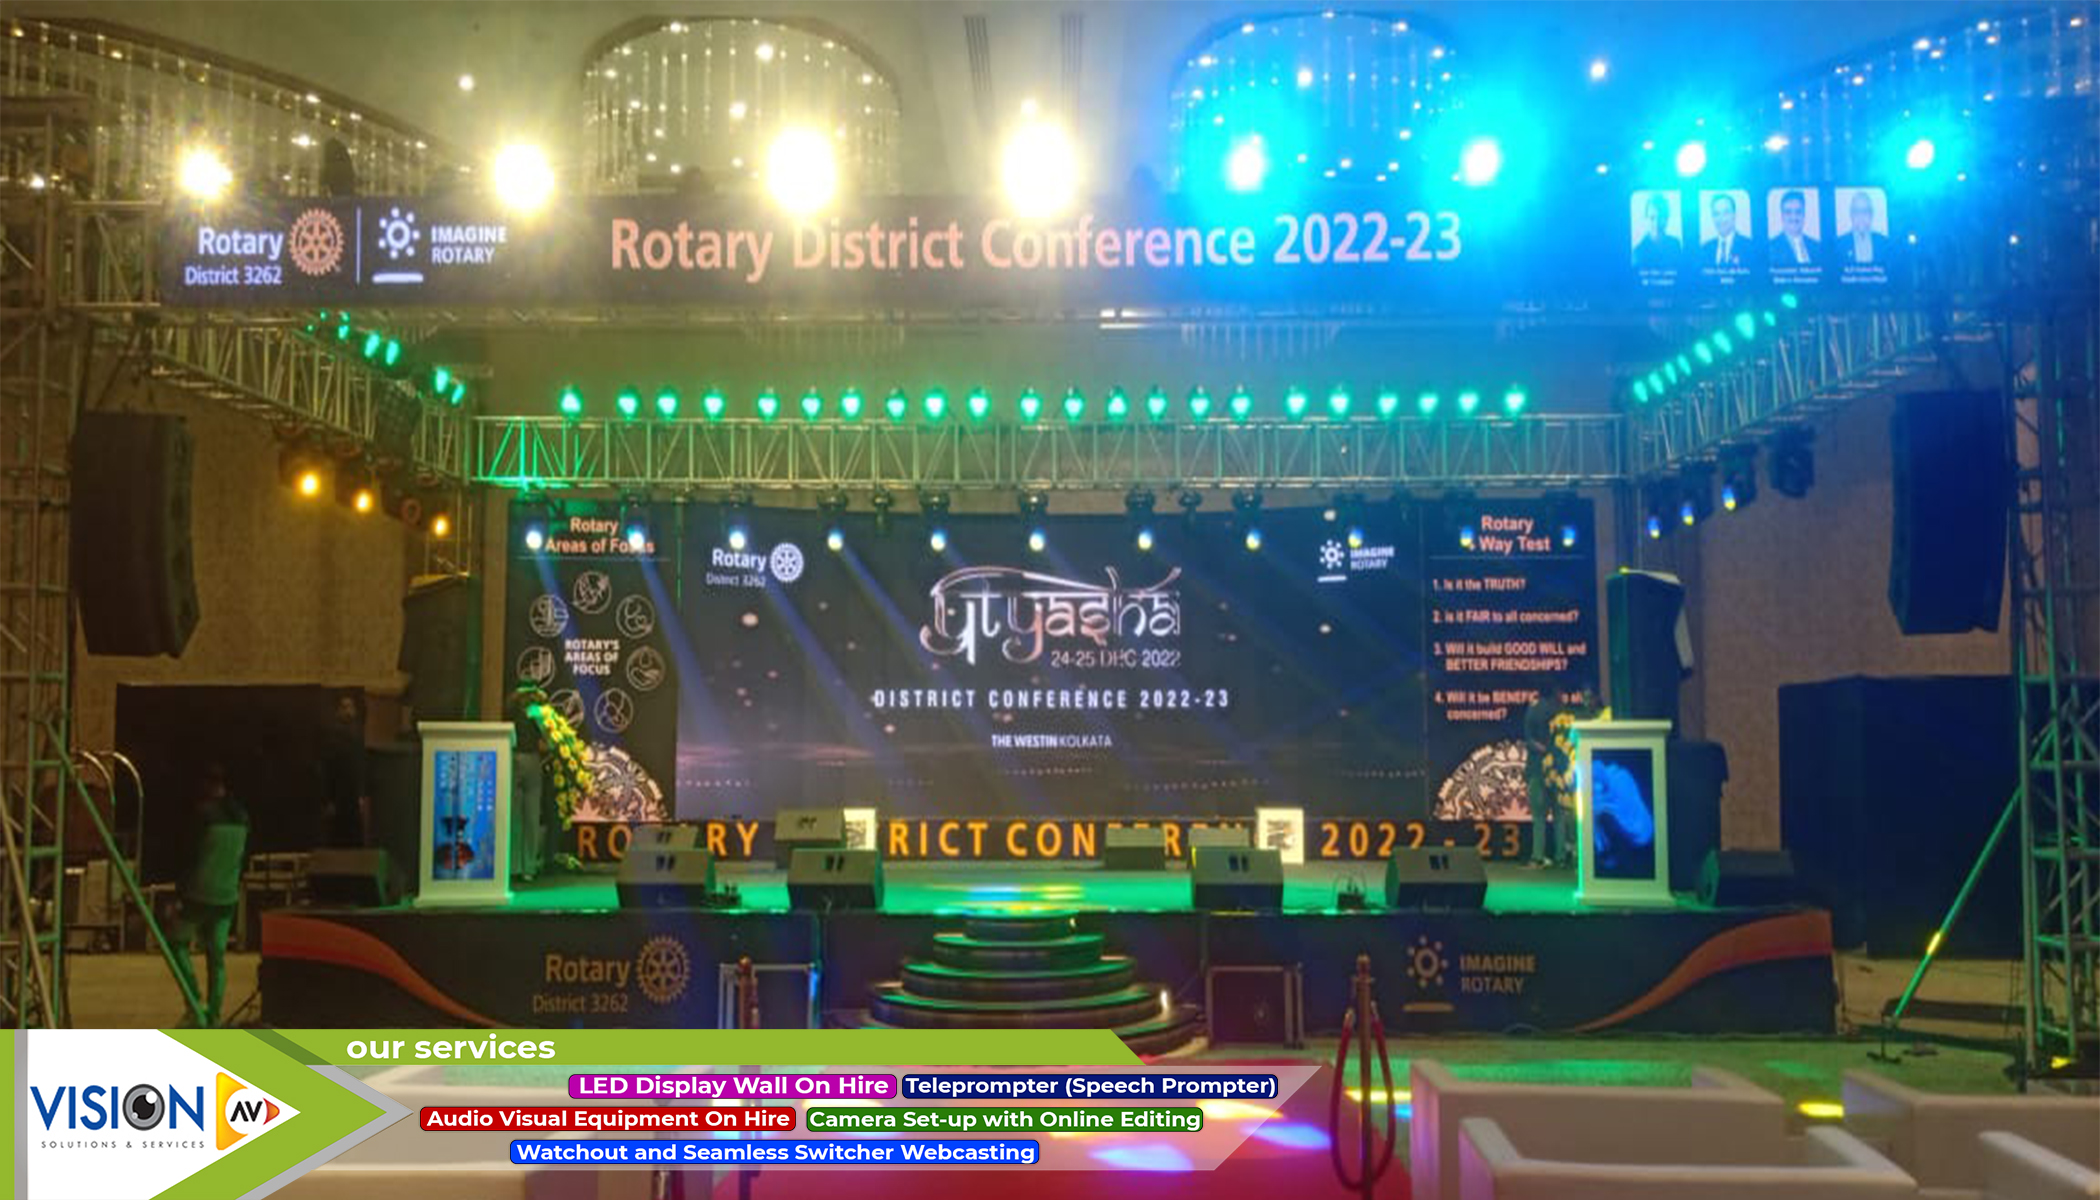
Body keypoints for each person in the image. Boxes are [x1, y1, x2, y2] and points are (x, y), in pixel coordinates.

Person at [171, 764, 248, 1027]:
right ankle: (214, 1014)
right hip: (227, 895)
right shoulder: (242, 817)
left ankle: (193, 1002)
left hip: (198, 893)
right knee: (217, 956)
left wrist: (179, 892)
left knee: (177, 944)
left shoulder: (203, 815)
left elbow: (190, 856)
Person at [1524, 682, 1599, 868]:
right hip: (1558, 769)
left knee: (1539, 816)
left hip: (1537, 768)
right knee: (1559, 815)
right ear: (1556, 693)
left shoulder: (1533, 710)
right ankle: (1561, 857)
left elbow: (1529, 739)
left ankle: (1538, 856)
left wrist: (1541, 749)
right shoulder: (1563, 712)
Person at [507, 684, 551, 882]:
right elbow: (548, 742)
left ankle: (514, 866)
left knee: (515, 814)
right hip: (531, 760)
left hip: (515, 759)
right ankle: (528, 868)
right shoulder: (538, 713)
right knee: (530, 815)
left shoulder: (512, 711)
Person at [319, 691, 367, 848]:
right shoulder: (331, 738)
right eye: (344, 707)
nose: (348, 711)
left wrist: (361, 794)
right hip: (338, 796)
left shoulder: (358, 736)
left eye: (350, 707)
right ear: (337, 711)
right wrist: (328, 799)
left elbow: (360, 766)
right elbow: (327, 770)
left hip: (353, 797)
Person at [1767, 189, 1821, 267]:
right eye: (1788, 212)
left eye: (1798, 212)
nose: (1794, 217)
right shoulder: (1771, 248)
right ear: (1782, 216)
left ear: (1804, 215)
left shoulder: (1817, 246)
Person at [1699, 193, 1753, 269]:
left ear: (1734, 215)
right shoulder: (1705, 249)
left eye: (1726, 213)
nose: (1721, 219)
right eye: (1716, 214)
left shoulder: (1749, 247)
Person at [1838, 190, 1889, 266]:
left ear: (1871, 214)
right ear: (1851, 215)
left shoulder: (1884, 243)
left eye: (1865, 211)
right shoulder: (1840, 245)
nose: (1861, 216)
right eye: (1857, 211)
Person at [1632, 194, 1682, 269]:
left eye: (1661, 217)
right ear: (1646, 219)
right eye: (1652, 218)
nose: (1656, 223)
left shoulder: (1675, 245)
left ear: (1667, 219)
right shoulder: (1639, 252)